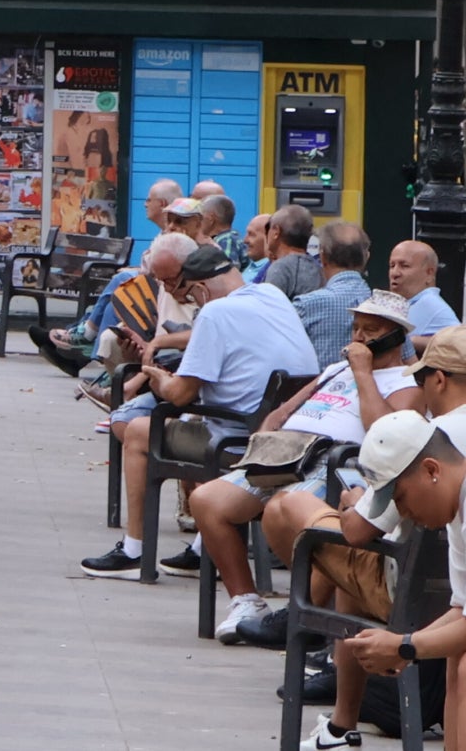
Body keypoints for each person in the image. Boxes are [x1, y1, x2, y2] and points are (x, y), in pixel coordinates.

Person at [189, 289, 420, 642]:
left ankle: (305, 609)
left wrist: (363, 373)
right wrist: (261, 444)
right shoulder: (334, 369)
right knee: (206, 499)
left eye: (370, 331)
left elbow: (384, 433)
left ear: (395, 335)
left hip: (338, 461)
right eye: (355, 327)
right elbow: (283, 412)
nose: (358, 337)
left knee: (282, 511)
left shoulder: (406, 380)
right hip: (285, 453)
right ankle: (247, 601)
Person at [80, 238, 317, 578]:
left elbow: (179, 394)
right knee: (191, 418)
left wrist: (158, 380)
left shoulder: (214, 312)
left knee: (137, 432)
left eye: (190, 295)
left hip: (238, 441)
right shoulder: (272, 296)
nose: (191, 301)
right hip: (287, 436)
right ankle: (203, 548)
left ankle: (134, 551)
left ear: (202, 289)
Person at [321, 407, 466, 747]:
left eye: (400, 498)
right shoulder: (455, 507)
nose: (402, 513)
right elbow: (462, 609)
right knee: (456, 658)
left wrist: (404, 646)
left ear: (431, 470)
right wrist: (404, 647)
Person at [296, 222, 375, 363]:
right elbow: (408, 364)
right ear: (366, 258)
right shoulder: (386, 308)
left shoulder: (304, 306)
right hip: (373, 384)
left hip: (320, 384)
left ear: (322, 257)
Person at [391, 238, 463, 342]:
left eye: (404, 266)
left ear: (429, 273)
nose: (395, 273)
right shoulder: (408, 303)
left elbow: (461, 346)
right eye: (392, 265)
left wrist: (415, 342)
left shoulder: (432, 304)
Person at [265, 203, 323, 299]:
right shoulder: (320, 270)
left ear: (276, 231)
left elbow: (268, 309)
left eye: (269, 228)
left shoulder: (280, 269)